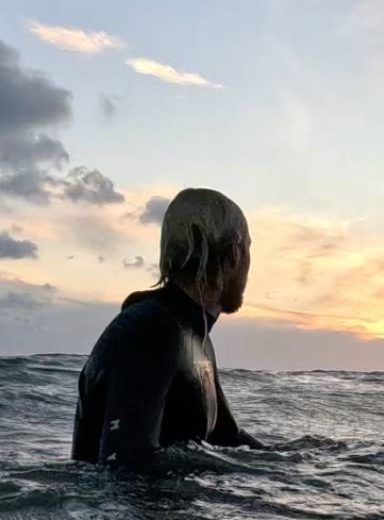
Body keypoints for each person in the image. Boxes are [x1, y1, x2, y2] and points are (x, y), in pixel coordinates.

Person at [71, 188, 264, 473]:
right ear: (234, 254)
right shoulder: (151, 330)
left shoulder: (193, 338)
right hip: (117, 516)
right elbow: (124, 465)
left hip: (160, 515)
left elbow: (228, 439)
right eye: (248, 248)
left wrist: (315, 463)